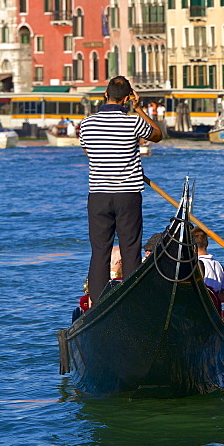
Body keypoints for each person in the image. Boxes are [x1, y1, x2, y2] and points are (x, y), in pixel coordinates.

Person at [79, 76, 163, 304]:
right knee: (130, 249)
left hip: (98, 196)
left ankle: (97, 303)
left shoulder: (86, 124)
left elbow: (89, 153)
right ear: (127, 98)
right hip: (127, 194)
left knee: (99, 252)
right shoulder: (133, 121)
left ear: (105, 94)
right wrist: (140, 109)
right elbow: (157, 134)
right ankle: (132, 301)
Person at [192, 226, 224, 314]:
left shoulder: (193, 266)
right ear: (207, 243)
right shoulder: (218, 265)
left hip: (198, 309)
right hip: (215, 310)